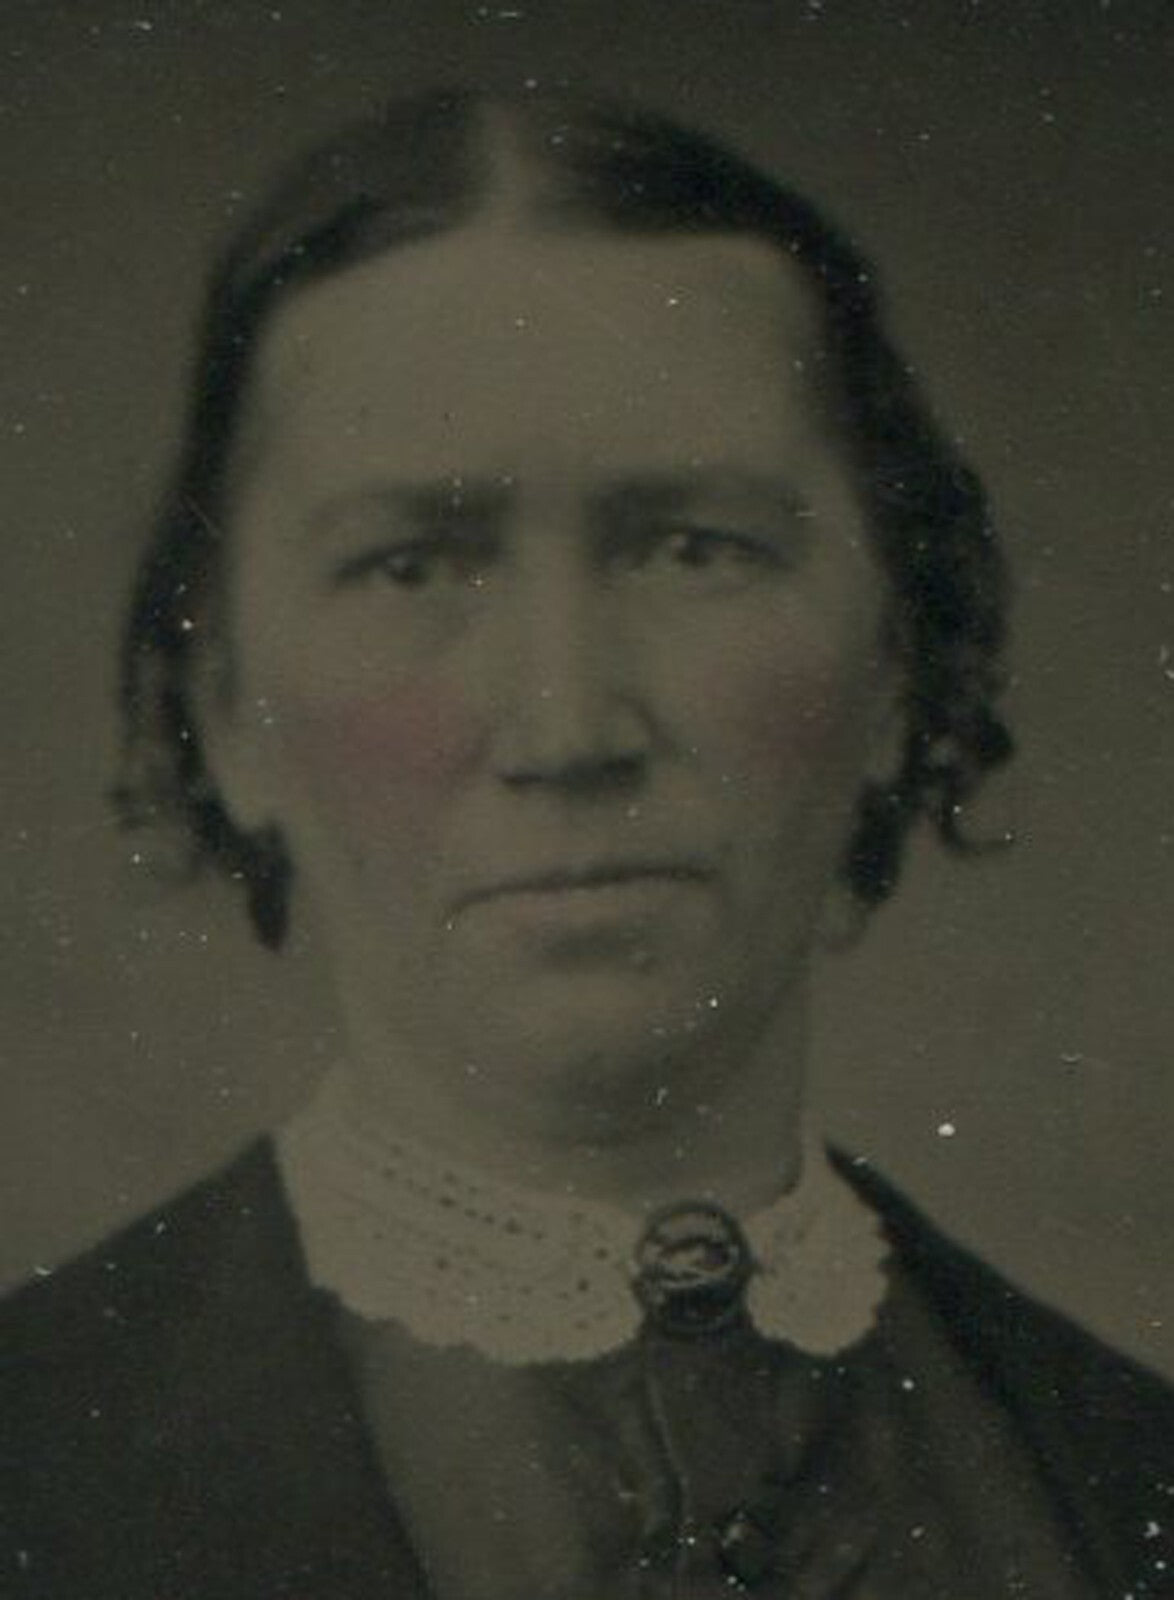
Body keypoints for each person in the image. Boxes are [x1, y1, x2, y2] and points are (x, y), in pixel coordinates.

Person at [4, 86, 1172, 1600]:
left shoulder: (1118, 1476)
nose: (567, 727)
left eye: (695, 548)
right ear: (226, 708)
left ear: (895, 664)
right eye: (411, 564)